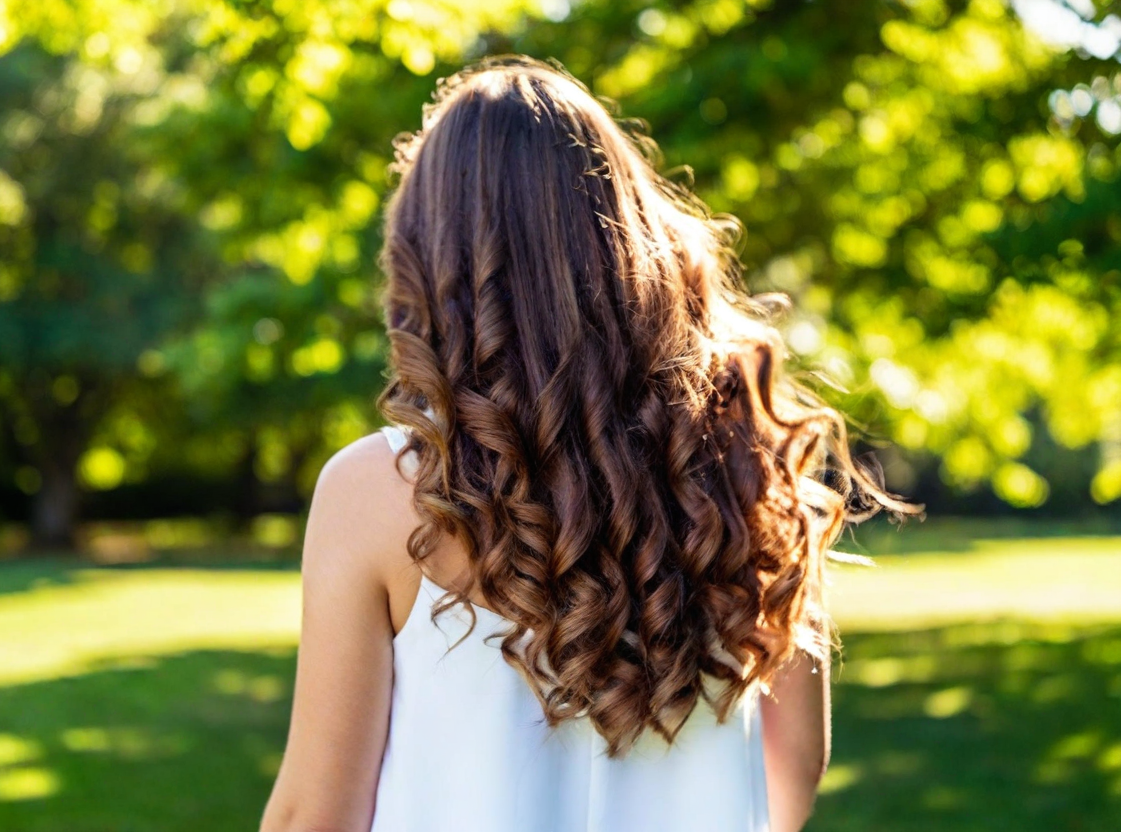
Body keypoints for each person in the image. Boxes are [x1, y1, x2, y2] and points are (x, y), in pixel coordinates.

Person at [260, 54, 915, 832]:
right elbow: (795, 762)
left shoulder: (380, 490)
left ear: (426, 262)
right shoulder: (747, 466)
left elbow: (316, 813)